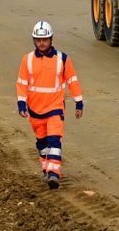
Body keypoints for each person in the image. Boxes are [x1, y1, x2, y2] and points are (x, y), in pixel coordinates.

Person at [16, 20, 83, 190]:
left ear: (51, 39)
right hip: (35, 110)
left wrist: (78, 102)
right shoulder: (27, 60)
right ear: (34, 41)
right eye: (38, 40)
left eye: (45, 39)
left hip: (55, 108)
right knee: (42, 145)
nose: (42, 43)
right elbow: (22, 83)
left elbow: (72, 80)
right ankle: (47, 168)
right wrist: (21, 104)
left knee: (54, 140)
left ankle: (54, 174)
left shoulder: (63, 59)